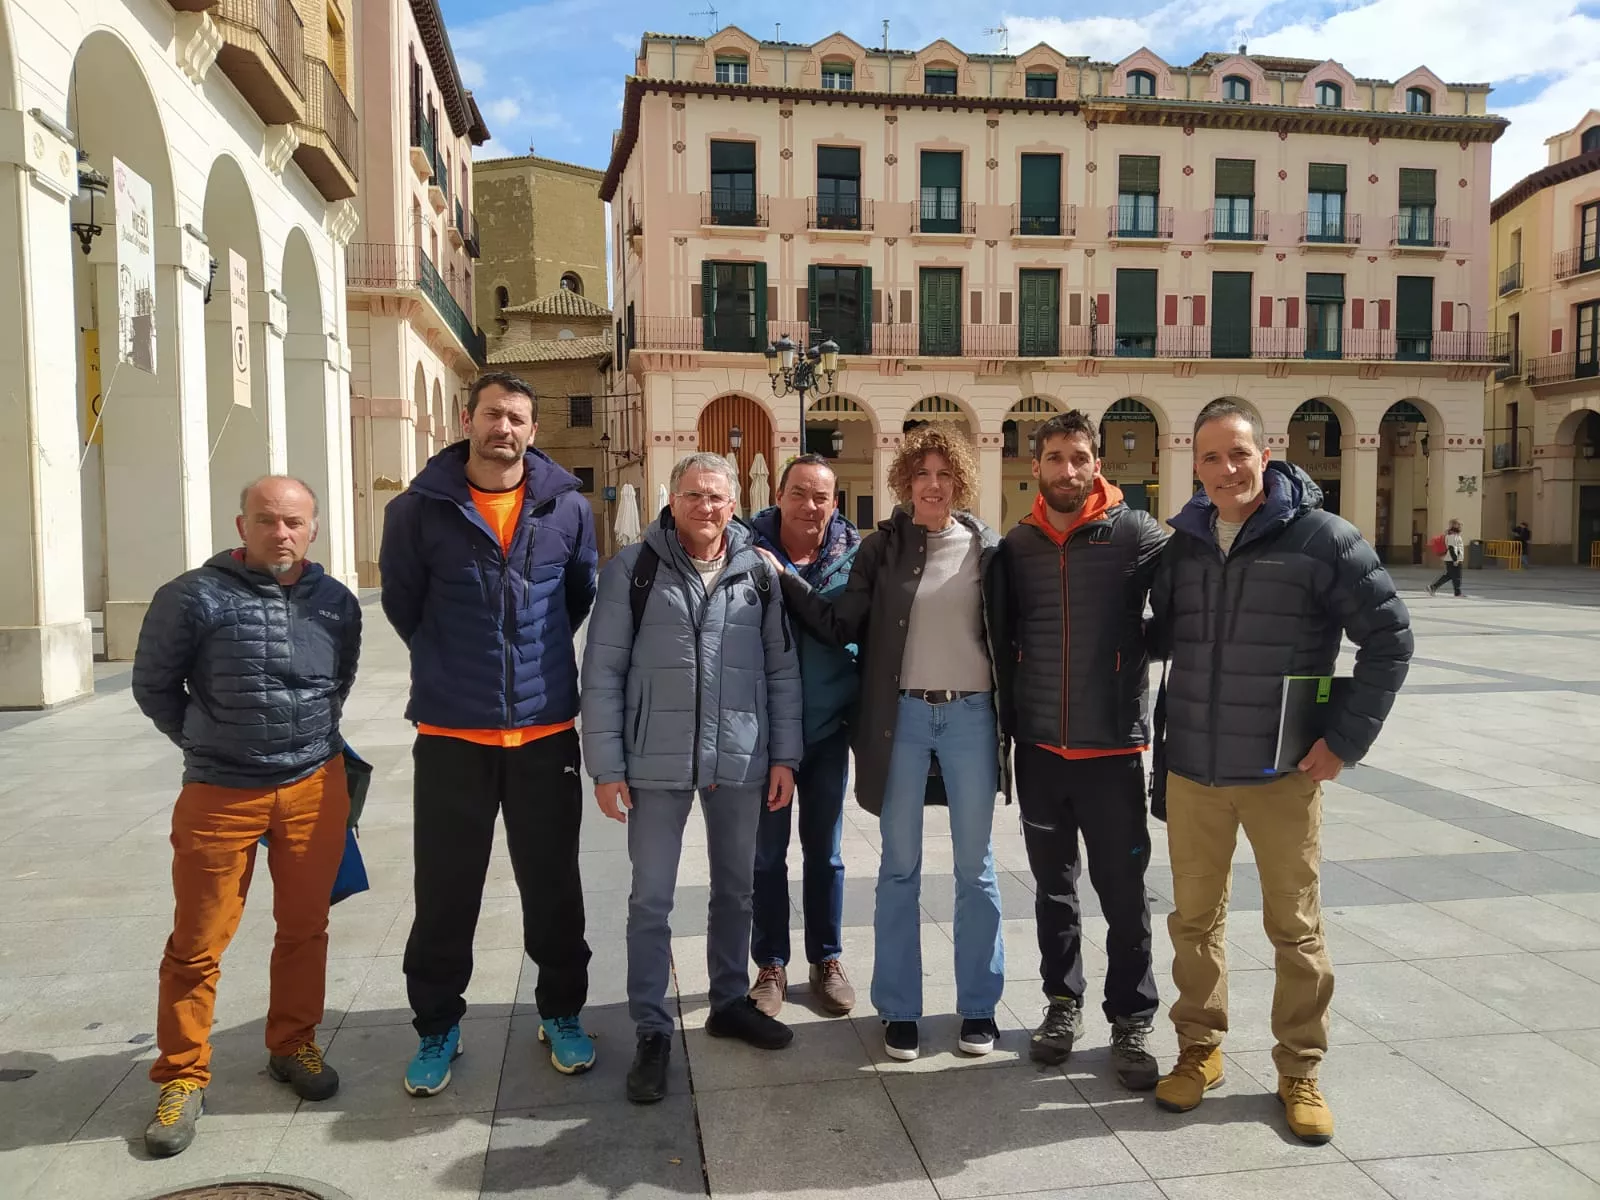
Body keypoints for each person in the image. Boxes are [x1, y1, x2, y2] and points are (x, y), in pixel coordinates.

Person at [1150, 399, 1412, 1145]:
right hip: (1195, 770)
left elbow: (1390, 638)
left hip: (1281, 774)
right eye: (1209, 457)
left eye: (1237, 453)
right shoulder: (1183, 546)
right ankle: (1200, 1050)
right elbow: (1162, 637)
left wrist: (1344, 741)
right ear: (1193, 466)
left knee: (1294, 929)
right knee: (1193, 923)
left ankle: (1300, 1067)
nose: (1225, 470)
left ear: (1264, 453)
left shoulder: (1323, 539)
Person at [380, 370, 598, 1097]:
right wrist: (462, 667)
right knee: (446, 894)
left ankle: (562, 1013)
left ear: (533, 431)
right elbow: (405, 606)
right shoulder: (418, 511)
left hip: (543, 738)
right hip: (452, 736)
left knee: (554, 889)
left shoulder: (567, 508)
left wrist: (526, 672)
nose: (503, 428)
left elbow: (576, 598)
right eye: (491, 415)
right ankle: (437, 1027)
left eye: (516, 418)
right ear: (467, 421)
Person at [132, 477, 361, 1158]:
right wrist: (212, 738)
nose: (281, 533)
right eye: (267, 520)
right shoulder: (191, 597)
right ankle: (181, 1076)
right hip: (220, 792)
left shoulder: (337, 603)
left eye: (294, 521)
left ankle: (292, 1045)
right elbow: (153, 686)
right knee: (197, 943)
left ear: (314, 528)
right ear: (242, 524)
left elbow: (337, 681)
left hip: (314, 787)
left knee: (304, 928)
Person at [766, 425, 1008, 1064]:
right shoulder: (881, 550)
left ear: (960, 481)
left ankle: (978, 1006)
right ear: (905, 482)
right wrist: (784, 579)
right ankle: (900, 1010)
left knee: (974, 869)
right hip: (899, 719)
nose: (933, 485)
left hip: (972, 717)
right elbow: (838, 622)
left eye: (945, 474)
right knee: (898, 867)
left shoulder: (988, 547)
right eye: (922, 474)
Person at [581, 452, 803, 1105]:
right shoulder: (633, 570)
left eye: (716, 497)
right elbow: (602, 673)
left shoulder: (757, 575)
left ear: (734, 504)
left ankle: (730, 999)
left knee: (736, 891)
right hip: (656, 760)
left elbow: (781, 672)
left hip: (738, 757)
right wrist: (607, 767)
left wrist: (784, 756)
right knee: (651, 899)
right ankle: (652, 1026)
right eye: (693, 495)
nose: (706, 507)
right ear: (672, 500)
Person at [999, 411, 1166, 1089]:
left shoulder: (1139, 535)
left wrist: (1132, 653)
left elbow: (1187, 613)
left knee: (1124, 894)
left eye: (1080, 457)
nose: (1068, 470)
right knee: (1053, 890)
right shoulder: (1018, 546)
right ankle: (1062, 1003)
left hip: (1111, 753)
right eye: (1056, 458)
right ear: (1034, 467)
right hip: (1040, 750)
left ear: (1098, 463)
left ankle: (1131, 1018)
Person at [747, 454, 861, 1017]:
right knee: (766, 856)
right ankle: (770, 963)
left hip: (825, 729)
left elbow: (855, 634)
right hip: (763, 735)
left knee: (827, 853)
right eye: (800, 493)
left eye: (821, 496)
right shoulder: (742, 548)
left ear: (834, 502)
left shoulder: (852, 558)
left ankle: (827, 957)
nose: (810, 506)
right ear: (779, 494)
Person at [1427, 519, 1465, 597]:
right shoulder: (1452, 536)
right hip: (1453, 559)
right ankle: (1457, 593)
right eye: (1459, 524)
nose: (1461, 526)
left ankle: (1433, 587)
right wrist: (1455, 559)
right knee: (1457, 576)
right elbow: (1452, 548)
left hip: (1452, 559)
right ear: (1455, 525)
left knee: (1449, 576)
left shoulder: (1455, 535)